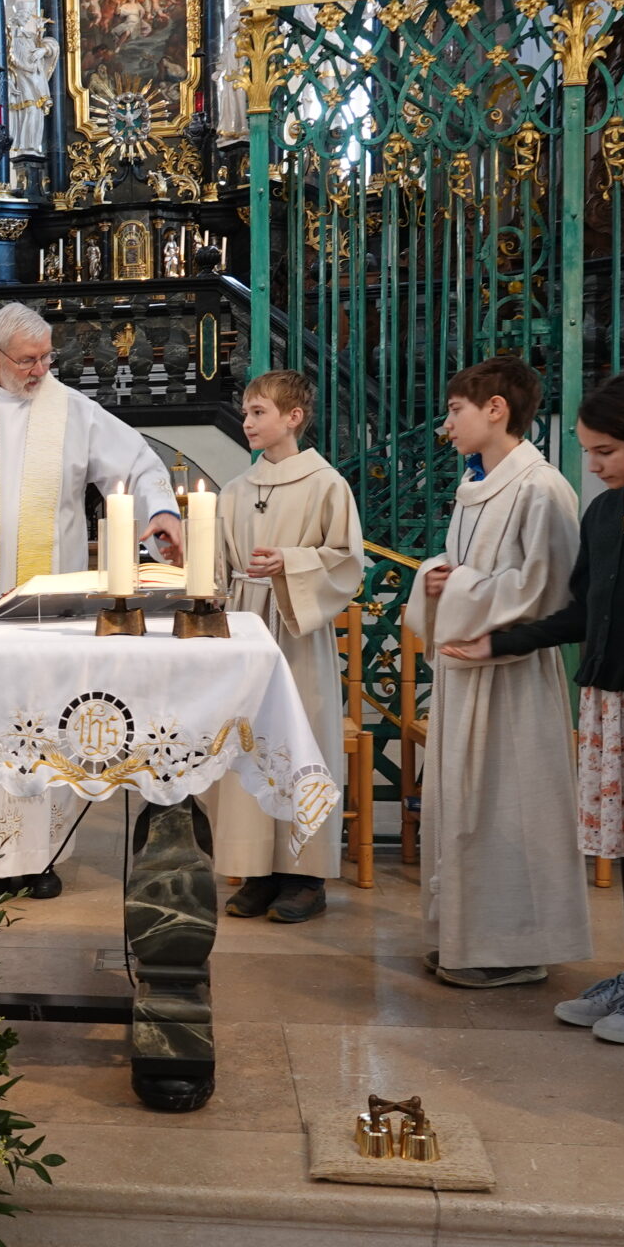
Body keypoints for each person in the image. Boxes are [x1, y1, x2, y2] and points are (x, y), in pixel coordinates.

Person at [447, 374, 624, 1041]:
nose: (595, 465)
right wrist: (499, 641)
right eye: (588, 451)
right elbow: (582, 612)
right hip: (611, 701)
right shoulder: (605, 512)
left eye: (606, 451)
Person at [0, 302, 183, 900]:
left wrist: (160, 511)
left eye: (47, 357)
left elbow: (138, 463)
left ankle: (42, 855)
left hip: (50, 602)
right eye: (28, 360)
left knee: (45, 718)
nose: (40, 370)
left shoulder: (73, 411)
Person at [405, 357, 588, 988]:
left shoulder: (541, 489)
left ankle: (514, 947)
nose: (446, 424)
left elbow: (550, 589)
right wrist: (437, 576)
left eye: (455, 410)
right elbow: (466, 568)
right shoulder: (475, 485)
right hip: (467, 669)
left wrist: (460, 587)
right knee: (464, 807)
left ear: (496, 410)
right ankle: (466, 939)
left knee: (509, 809)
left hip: (512, 674)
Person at [209, 369, 364, 923]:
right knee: (249, 742)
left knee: (300, 741)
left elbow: (346, 562)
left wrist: (289, 564)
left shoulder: (326, 485)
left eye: (259, 413)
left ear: (294, 418)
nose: (247, 422)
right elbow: (217, 567)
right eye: (246, 413)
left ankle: (304, 877)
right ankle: (257, 871)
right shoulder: (234, 490)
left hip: (297, 631)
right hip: (245, 627)